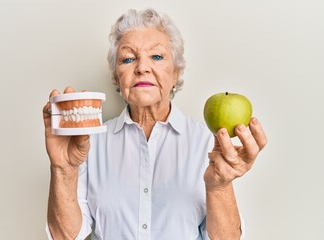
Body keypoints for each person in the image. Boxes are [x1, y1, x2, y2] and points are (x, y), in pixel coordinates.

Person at [42, 8, 267, 240]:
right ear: (116, 77)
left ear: (176, 73)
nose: (142, 68)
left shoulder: (207, 143)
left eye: (157, 57)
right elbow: (64, 236)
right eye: (128, 59)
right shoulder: (89, 142)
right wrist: (63, 169)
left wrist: (219, 187)